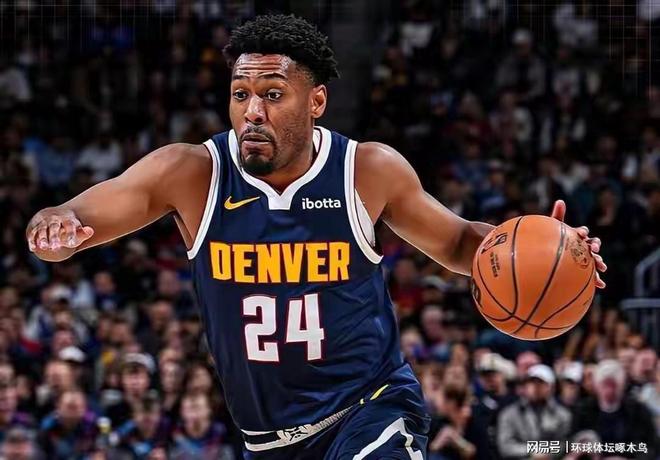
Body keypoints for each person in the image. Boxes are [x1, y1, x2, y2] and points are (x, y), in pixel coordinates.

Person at [25, 14, 606, 459]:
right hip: (265, 440)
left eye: (273, 94)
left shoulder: (366, 170)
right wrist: (55, 222)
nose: (253, 111)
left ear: (317, 101)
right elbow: (82, 212)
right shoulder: (191, 173)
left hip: (369, 411)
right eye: (241, 94)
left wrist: (540, 248)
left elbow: (457, 244)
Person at [571, 360, 658, 459]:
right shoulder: (583, 410)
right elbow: (572, 443)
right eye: (605, 385)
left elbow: (650, 447)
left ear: (621, 386)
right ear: (597, 386)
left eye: (613, 385)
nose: (609, 391)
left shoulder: (637, 411)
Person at [496, 364, 572, 459]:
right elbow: (505, 446)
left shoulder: (562, 414)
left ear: (551, 387)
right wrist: (534, 451)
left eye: (541, 383)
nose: (535, 387)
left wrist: (544, 454)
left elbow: (564, 445)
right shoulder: (509, 413)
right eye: (531, 382)